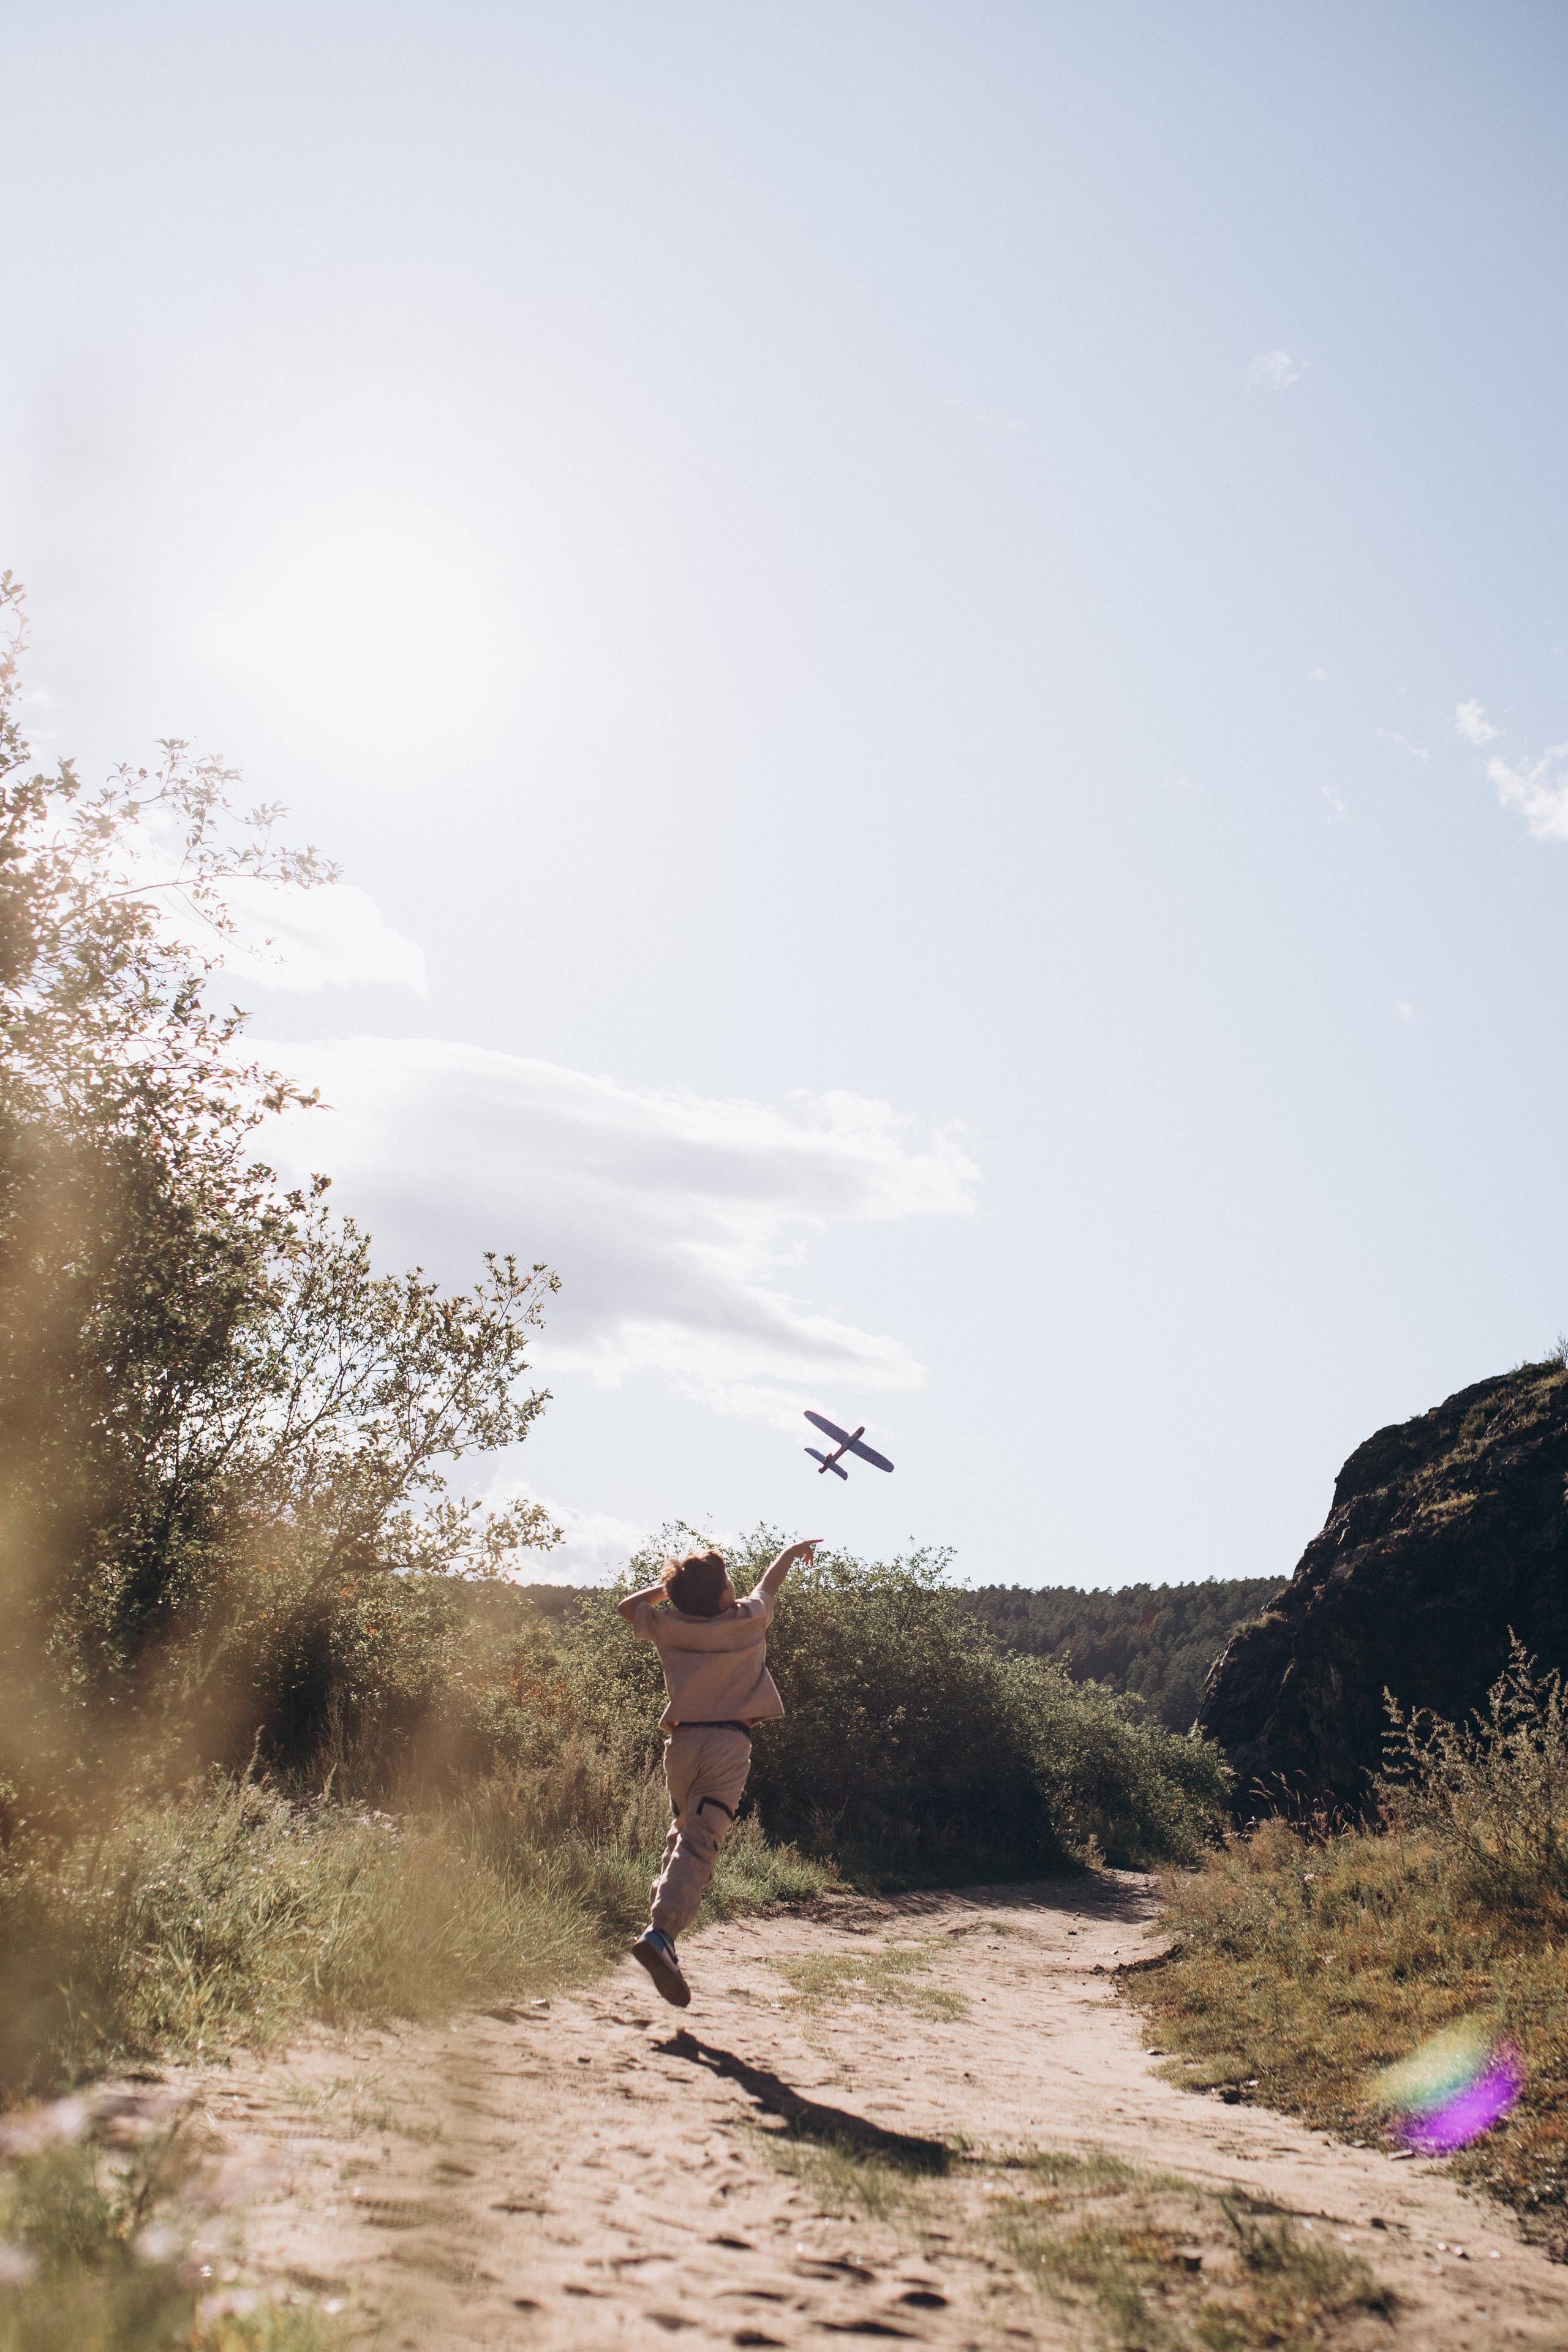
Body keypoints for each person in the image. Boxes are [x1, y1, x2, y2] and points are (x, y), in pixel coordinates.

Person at [617, 1536, 820, 2007]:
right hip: (727, 1744)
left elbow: (627, 1607)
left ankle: (661, 1934)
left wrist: (672, 1589)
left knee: (683, 1832)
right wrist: (790, 1552)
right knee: (701, 1840)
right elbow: (770, 1584)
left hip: (682, 1746)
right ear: (726, 1594)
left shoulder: (670, 1626)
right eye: (728, 1581)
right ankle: (662, 1935)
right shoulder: (747, 1620)